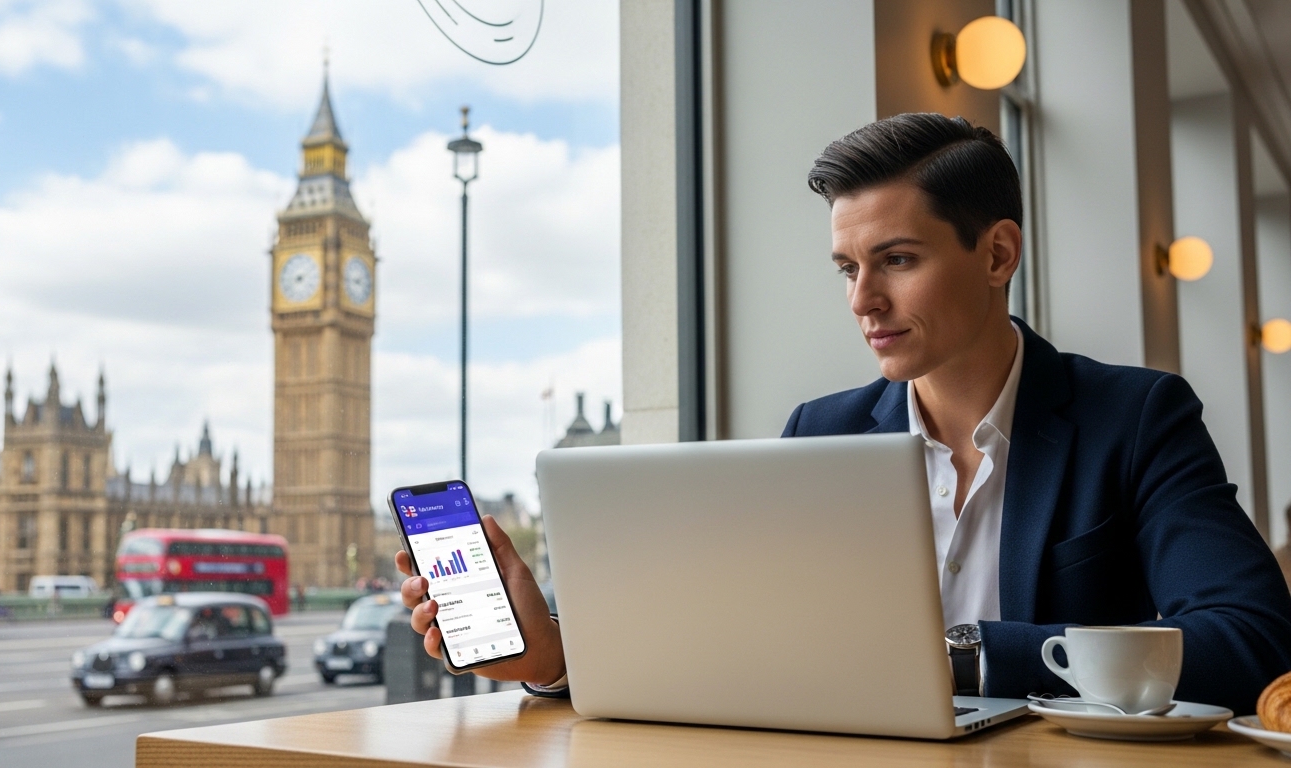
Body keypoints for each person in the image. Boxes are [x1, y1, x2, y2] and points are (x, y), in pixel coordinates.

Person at [399, 113, 1291, 715]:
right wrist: (549, 652)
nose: (864, 301)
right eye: (847, 268)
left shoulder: (1135, 417)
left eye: (896, 259)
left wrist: (968, 655)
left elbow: (1249, 638)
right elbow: (723, 640)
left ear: (997, 253)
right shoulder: (819, 434)